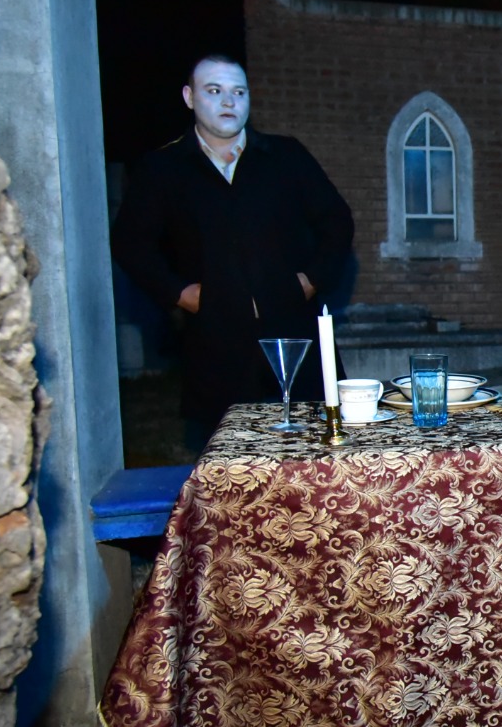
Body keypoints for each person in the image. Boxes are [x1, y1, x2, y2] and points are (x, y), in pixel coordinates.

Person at [111, 55, 355, 445]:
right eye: (214, 91)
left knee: (315, 457)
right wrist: (180, 294)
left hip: (295, 339)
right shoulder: (163, 169)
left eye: (239, 92)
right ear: (189, 97)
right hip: (216, 346)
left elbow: (337, 221)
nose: (229, 101)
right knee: (229, 464)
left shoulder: (286, 156)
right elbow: (130, 243)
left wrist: (311, 280)